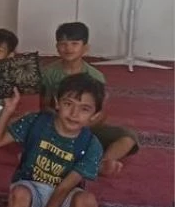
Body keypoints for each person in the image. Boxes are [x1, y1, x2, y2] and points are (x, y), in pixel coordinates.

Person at [0, 74, 105, 207]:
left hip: (64, 197)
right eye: (68, 104)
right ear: (57, 102)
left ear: (95, 115)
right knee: (19, 194)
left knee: (87, 200)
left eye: (84, 109)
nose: (74, 114)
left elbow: (64, 189)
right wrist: (8, 109)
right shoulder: (36, 122)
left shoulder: (91, 145)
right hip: (31, 189)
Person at [41, 22, 138, 177]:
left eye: (74, 43)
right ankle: (82, 159)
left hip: (87, 127)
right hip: (59, 127)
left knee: (128, 137)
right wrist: (64, 125)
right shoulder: (49, 73)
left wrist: (84, 126)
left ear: (85, 48)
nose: (68, 48)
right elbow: (45, 107)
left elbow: (101, 113)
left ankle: (101, 163)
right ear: (57, 47)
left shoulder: (96, 76)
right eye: (63, 44)